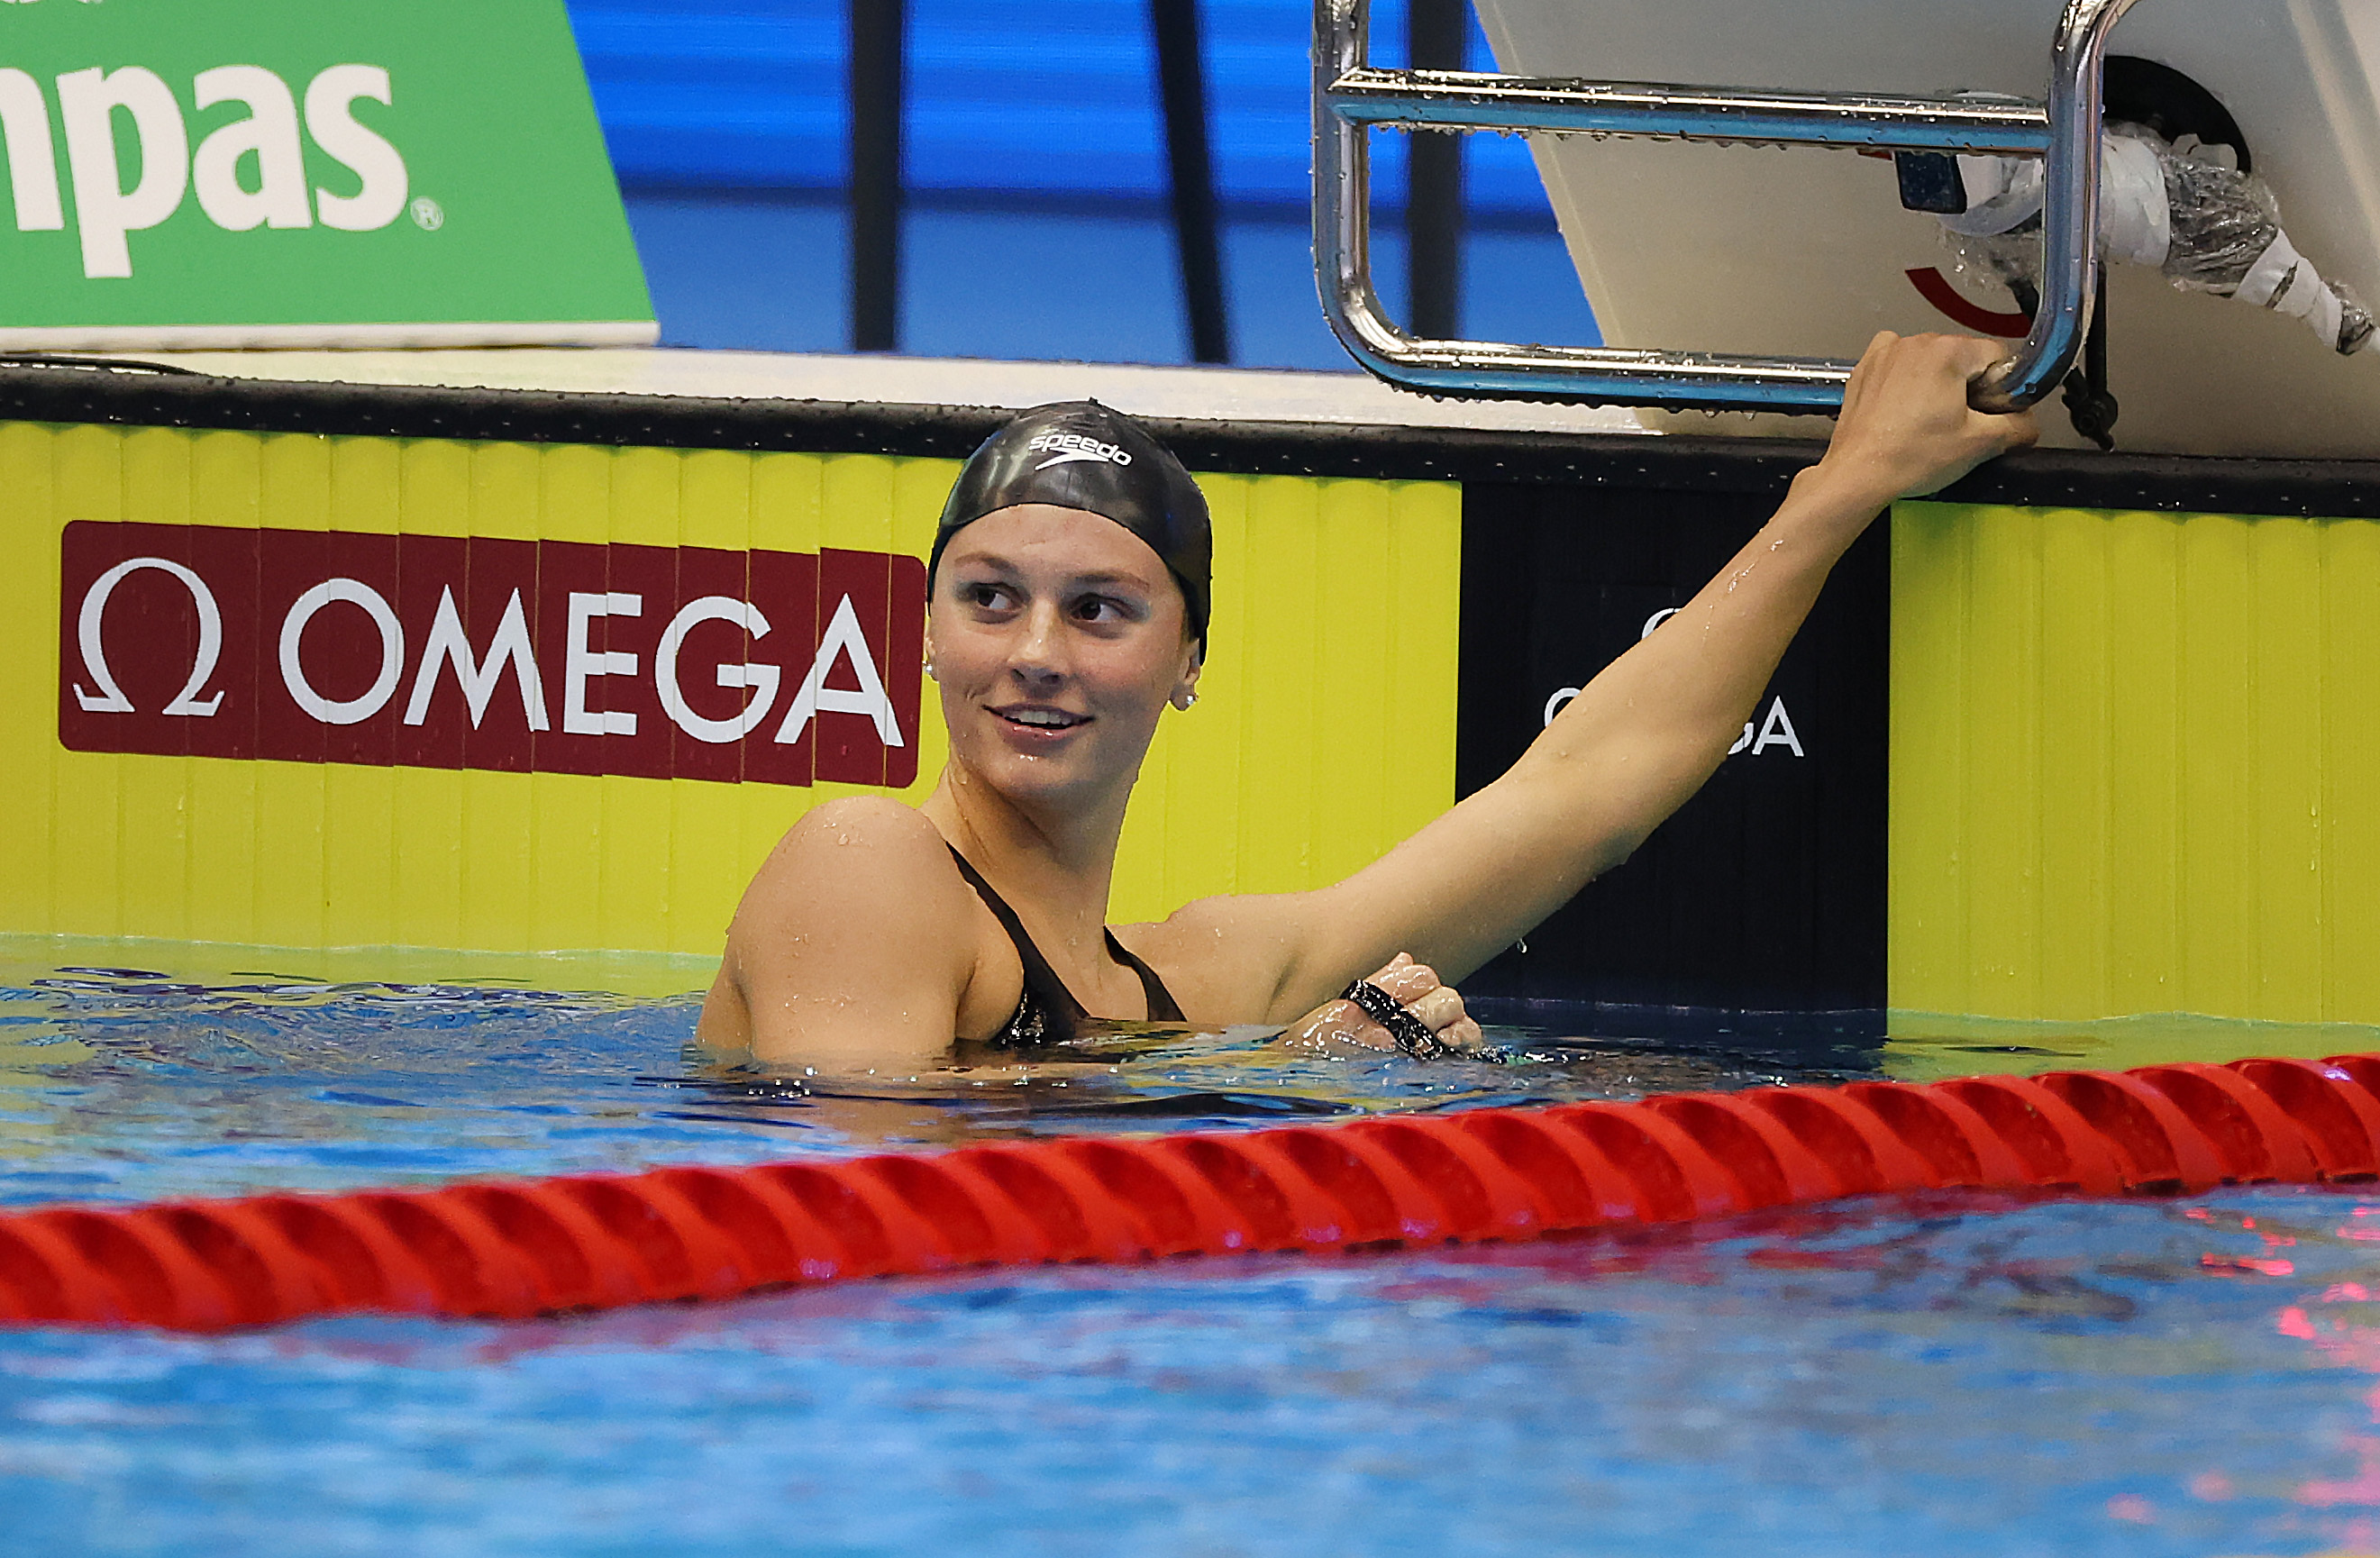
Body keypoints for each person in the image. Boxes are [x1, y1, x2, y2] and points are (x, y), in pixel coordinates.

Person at [698, 332, 2037, 1073]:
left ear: (1188, 663)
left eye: (1098, 608)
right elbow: (860, 1224)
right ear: (926, 637)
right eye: (987, 598)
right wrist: (1285, 1078)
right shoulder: (864, 863)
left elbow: (1575, 798)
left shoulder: (1207, 977)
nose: (1036, 651)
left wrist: (1842, 489)